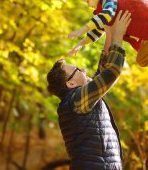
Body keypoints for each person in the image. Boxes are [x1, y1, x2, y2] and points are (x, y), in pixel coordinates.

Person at [47, 10, 131, 170]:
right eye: (78, 69)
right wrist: (119, 35)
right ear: (70, 83)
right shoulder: (76, 101)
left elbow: (102, 73)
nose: (83, 69)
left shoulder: (76, 101)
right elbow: (110, 73)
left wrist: (109, 34)